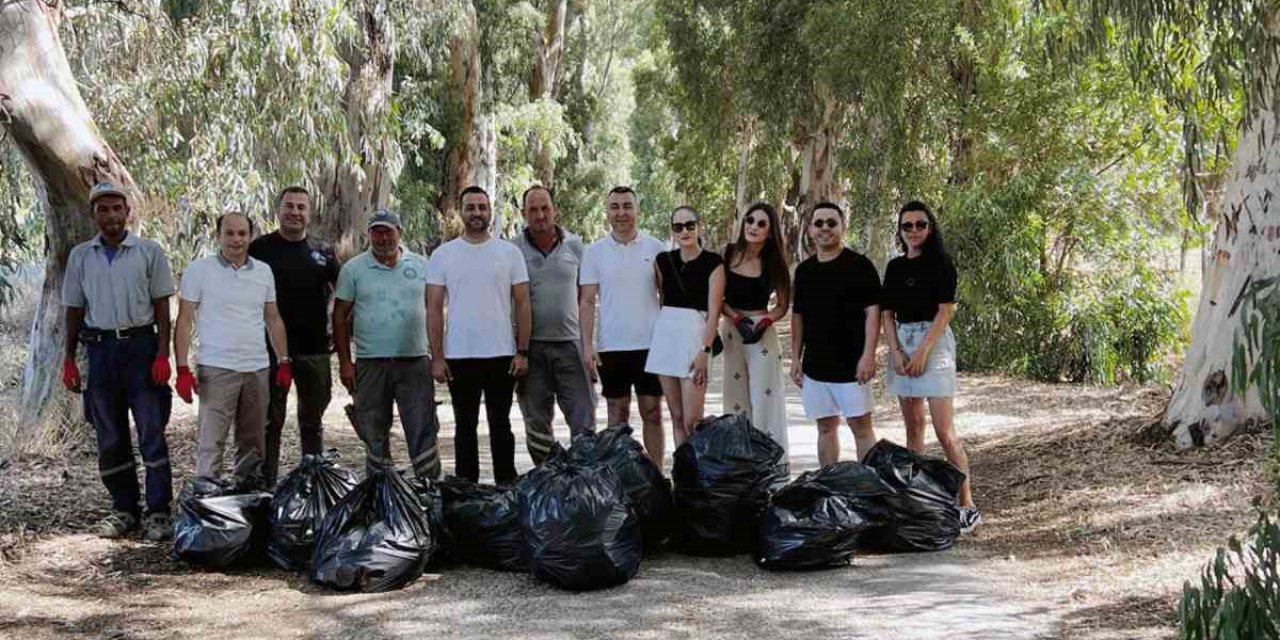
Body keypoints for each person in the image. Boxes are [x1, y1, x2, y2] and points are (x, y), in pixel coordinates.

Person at [61, 182, 176, 541]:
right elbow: (74, 309)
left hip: (141, 348)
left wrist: (162, 354)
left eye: (116, 208)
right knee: (110, 436)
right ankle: (124, 508)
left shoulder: (148, 252)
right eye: (102, 209)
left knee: (151, 432)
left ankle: (159, 511)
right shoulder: (81, 256)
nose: (110, 215)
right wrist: (68, 359)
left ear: (128, 213)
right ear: (93, 214)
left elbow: (162, 306)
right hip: (101, 352)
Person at [882, 200, 979, 532]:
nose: (913, 231)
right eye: (906, 226)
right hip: (902, 341)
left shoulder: (941, 264)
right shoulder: (895, 268)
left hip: (933, 341)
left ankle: (966, 502)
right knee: (913, 428)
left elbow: (945, 310)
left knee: (945, 431)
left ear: (930, 227)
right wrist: (895, 351)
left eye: (919, 225)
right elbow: (887, 313)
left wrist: (923, 351)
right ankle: (918, 498)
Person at [174, 211, 291, 484]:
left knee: (253, 441)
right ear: (218, 236)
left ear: (250, 237)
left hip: (257, 368)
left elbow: (272, 318)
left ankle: (246, 499)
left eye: (242, 234)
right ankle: (205, 499)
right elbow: (184, 321)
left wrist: (284, 360)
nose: (236, 240)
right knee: (211, 439)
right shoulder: (199, 271)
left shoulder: (263, 272)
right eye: (229, 233)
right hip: (216, 368)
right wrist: (181, 368)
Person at [428, 186, 532, 484]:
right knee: (464, 426)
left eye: (481, 207)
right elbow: (433, 308)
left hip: (501, 354)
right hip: (459, 355)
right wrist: (437, 357)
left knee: (500, 425)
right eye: (470, 207)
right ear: (460, 211)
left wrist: (522, 351)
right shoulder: (444, 255)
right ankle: (467, 492)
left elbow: (524, 303)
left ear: (490, 211)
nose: (476, 213)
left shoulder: (509, 253)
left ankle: (506, 488)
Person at [333, 209, 441, 480]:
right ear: (369, 235)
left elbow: (436, 311)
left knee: (422, 431)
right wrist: (346, 363)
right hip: (371, 365)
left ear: (399, 233)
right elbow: (339, 316)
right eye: (377, 232)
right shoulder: (353, 269)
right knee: (374, 433)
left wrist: (439, 356)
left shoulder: (421, 266)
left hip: (415, 362)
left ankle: (431, 494)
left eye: (388, 231)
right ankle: (380, 495)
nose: (383, 238)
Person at [248, 186, 339, 485]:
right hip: (270, 350)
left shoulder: (323, 252)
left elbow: (341, 293)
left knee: (312, 420)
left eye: (302, 207)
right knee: (269, 421)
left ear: (309, 212)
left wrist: (333, 323)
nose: (295, 213)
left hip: (314, 348)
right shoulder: (259, 249)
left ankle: (313, 484)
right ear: (279, 209)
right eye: (289, 206)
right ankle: (266, 486)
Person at [790, 202, 881, 465]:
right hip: (816, 367)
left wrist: (868, 355)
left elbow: (873, 313)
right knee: (826, 428)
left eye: (832, 222)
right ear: (809, 230)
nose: (825, 228)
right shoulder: (805, 272)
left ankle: (868, 490)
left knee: (861, 428)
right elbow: (798, 317)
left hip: (853, 367)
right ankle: (828, 487)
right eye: (819, 223)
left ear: (843, 226)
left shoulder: (860, 266)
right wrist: (795, 358)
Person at [579, 186, 666, 462]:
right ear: (607, 212)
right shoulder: (594, 253)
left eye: (627, 206)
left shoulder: (656, 248)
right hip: (612, 345)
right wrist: (587, 345)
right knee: (617, 415)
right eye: (615, 207)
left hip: (651, 345)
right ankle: (620, 477)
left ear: (637, 210)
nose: (621, 213)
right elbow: (587, 302)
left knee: (652, 412)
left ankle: (657, 477)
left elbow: (667, 297)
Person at [511, 185, 596, 464]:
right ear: (524, 213)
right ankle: (547, 481)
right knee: (536, 423)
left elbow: (588, 298)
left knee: (583, 419)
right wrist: (517, 350)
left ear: (554, 209)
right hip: (530, 349)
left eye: (545, 208)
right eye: (533, 210)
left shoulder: (575, 245)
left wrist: (589, 345)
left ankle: (584, 481)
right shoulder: (513, 250)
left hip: (571, 346)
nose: (540, 215)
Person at [645, 206, 724, 449]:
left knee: (693, 421)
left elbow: (714, 314)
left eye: (690, 225)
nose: (685, 231)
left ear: (699, 226)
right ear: (673, 231)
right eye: (678, 227)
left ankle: (699, 477)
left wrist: (705, 351)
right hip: (666, 338)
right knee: (677, 418)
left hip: (695, 339)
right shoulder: (662, 261)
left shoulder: (713, 262)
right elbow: (662, 299)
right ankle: (684, 477)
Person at [720, 201, 791, 456]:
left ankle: (770, 461)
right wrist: (737, 318)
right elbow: (718, 298)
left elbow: (783, 305)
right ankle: (739, 460)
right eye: (750, 220)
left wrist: (765, 321)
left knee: (766, 396)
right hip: (732, 329)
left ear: (770, 232)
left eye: (761, 223)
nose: (753, 226)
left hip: (762, 334)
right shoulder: (727, 254)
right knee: (735, 395)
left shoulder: (775, 264)